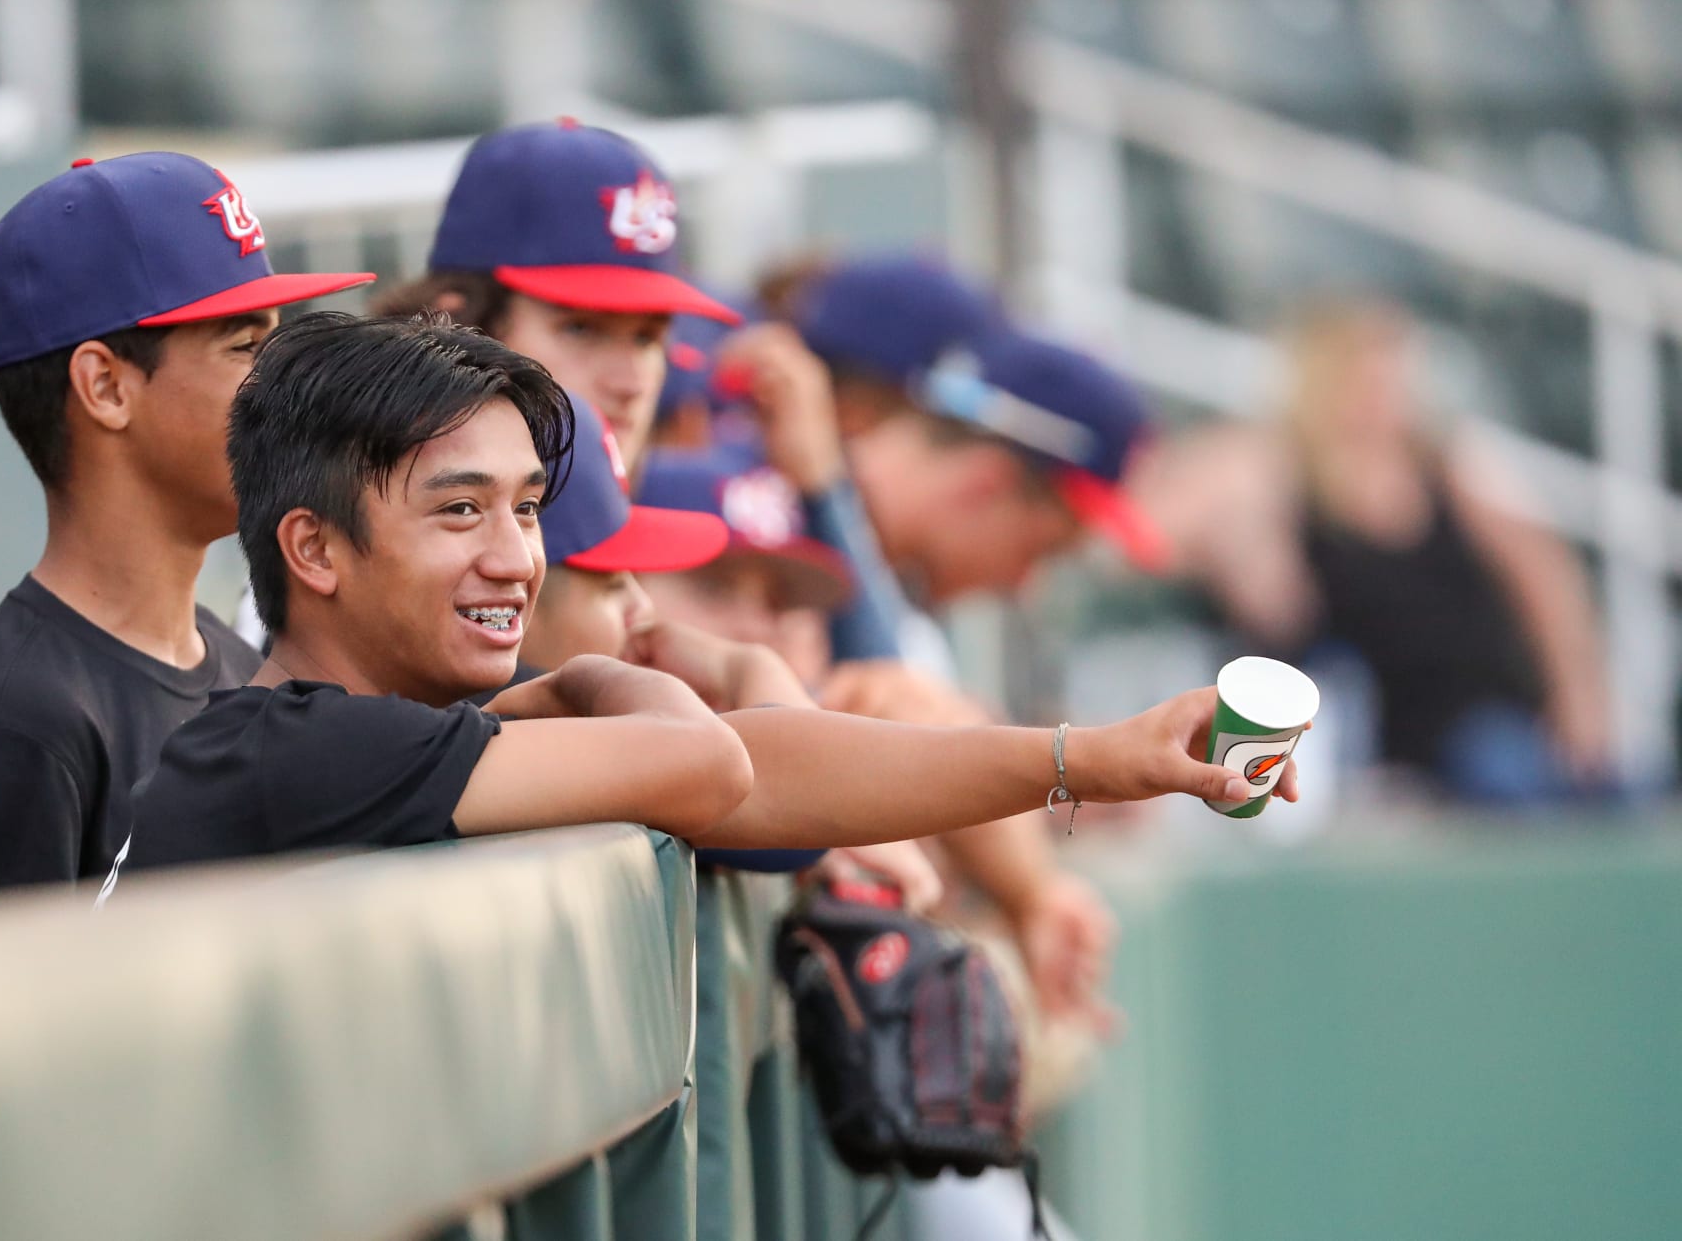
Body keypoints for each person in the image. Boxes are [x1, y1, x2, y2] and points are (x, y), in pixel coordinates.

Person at [114, 313, 1285, 881]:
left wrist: (1095, 755)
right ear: (312, 552)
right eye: (461, 511)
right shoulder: (302, 740)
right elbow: (714, 767)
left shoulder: (383, 729)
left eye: (528, 510)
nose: (519, 559)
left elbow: (768, 770)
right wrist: (583, 679)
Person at [0, 153, 374, 906]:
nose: (287, 385)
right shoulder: (17, 731)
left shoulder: (239, 666)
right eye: (247, 348)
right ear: (106, 386)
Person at [1133, 295, 1615, 802]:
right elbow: (1149, 531)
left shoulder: (1450, 465)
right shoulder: (1272, 467)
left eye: (1393, 375)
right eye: (1363, 377)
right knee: (1503, 774)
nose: (1384, 393)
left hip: (1485, 717)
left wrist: (1579, 696)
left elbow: (1547, 578)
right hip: (1368, 747)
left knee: (1601, 791)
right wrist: (1235, 549)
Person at [371, 117, 744, 465]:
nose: (631, 384)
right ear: (455, 330)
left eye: (647, 338)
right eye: (580, 329)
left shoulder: (686, 505)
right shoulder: (360, 517)